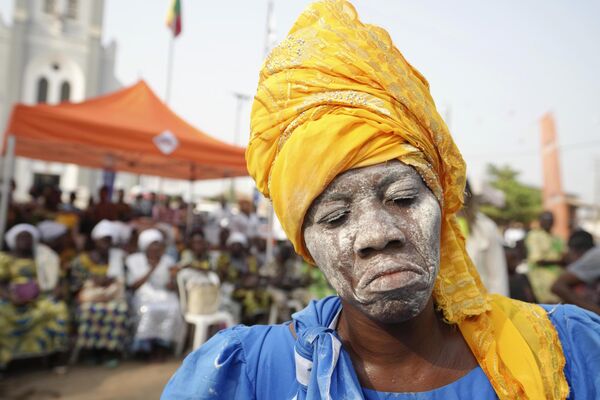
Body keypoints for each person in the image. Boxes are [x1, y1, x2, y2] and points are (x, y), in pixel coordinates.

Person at [162, 2, 600, 399]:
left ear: (442, 206)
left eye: (403, 198)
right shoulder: (250, 376)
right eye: (334, 217)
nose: (376, 235)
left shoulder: (565, 352)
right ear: (305, 244)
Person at [0, 224, 68, 368]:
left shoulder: (44, 257)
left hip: (40, 298)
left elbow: (56, 278)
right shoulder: (5, 258)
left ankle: (56, 356)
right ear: (13, 240)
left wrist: (57, 289)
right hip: (12, 299)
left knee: (58, 309)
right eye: (21, 238)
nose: (25, 241)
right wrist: (10, 296)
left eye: (28, 238)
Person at [70, 220, 128, 366]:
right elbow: (75, 284)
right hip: (89, 297)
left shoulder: (117, 258)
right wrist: (94, 281)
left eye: (108, 241)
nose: (106, 245)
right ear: (95, 241)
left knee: (119, 310)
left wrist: (110, 282)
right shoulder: (82, 260)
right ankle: (91, 351)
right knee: (88, 310)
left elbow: (123, 279)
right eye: (103, 241)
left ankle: (109, 352)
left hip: (112, 296)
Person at [126, 228, 183, 358]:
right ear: (145, 247)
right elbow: (133, 285)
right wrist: (152, 268)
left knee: (173, 309)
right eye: (153, 244)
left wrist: (172, 282)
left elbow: (172, 285)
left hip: (164, 294)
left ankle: (161, 347)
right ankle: (145, 348)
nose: (157, 248)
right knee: (148, 311)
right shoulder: (134, 260)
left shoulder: (168, 260)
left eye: (159, 244)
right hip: (144, 294)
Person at [457, 181, 509, 296]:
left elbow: (497, 276)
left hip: (481, 303)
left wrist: (497, 310)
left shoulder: (485, 226)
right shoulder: (435, 225)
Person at [552, 230, 600, 314]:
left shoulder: (594, 257)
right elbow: (558, 287)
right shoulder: (594, 255)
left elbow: (557, 286)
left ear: (574, 250)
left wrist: (593, 310)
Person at [526, 211, 565, 303]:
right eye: (545, 219)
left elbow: (565, 254)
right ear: (540, 221)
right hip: (541, 280)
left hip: (557, 279)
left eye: (550, 220)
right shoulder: (534, 236)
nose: (548, 222)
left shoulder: (557, 238)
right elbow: (537, 260)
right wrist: (559, 261)